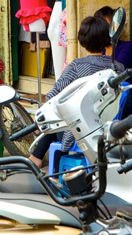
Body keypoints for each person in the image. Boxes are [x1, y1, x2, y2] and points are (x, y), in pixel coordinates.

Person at [30, 15, 123, 167]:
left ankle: (36, 157)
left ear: (82, 41)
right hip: (109, 128)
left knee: (59, 113)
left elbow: (53, 96)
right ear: (107, 40)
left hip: (80, 133)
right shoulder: (118, 68)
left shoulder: (77, 67)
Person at [95, 5, 132, 120]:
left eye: (108, 25)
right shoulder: (100, 51)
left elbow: (115, 71)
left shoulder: (128, 47)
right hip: (111, 97)